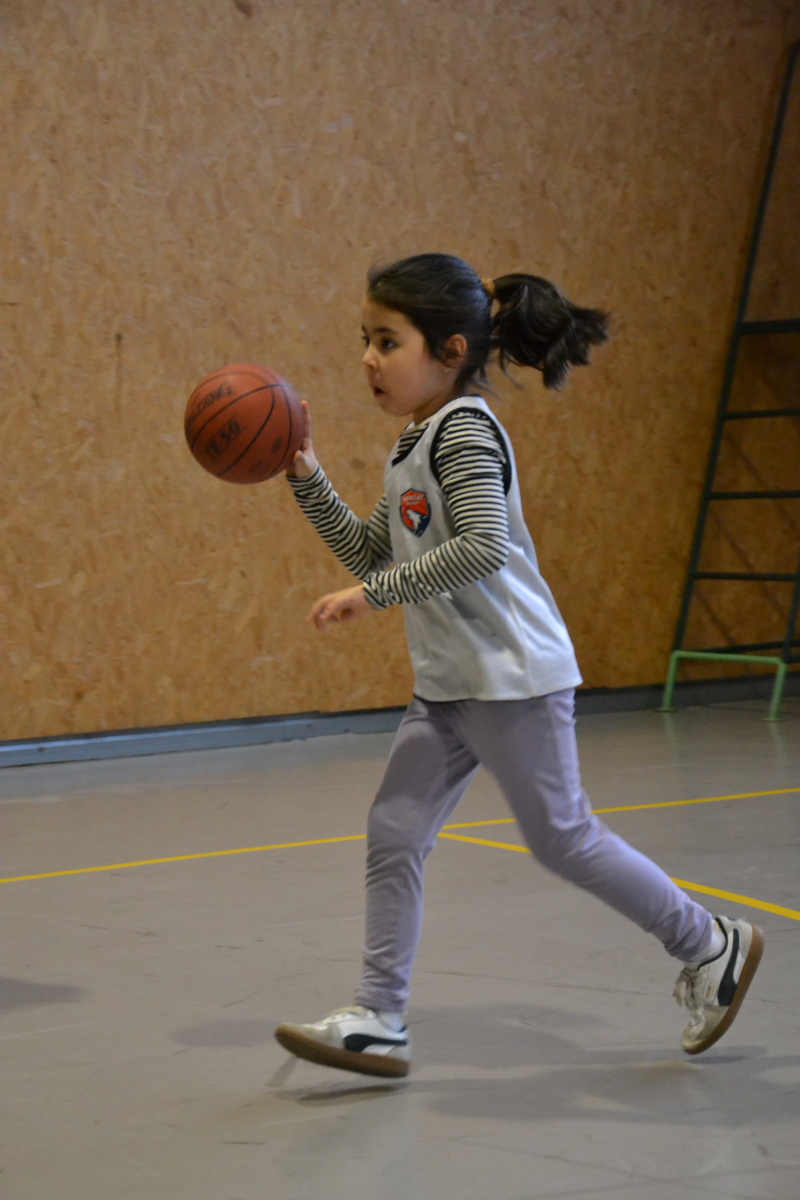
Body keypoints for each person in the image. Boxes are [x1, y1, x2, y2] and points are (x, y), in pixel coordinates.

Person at [274, 252, 764, 1079]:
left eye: (387, 341)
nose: (368, 358)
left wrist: (374, 596)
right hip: (449, 687)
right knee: (394, 831)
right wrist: (306, 476)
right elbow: (371, 553)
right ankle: (380, 1016)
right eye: (366, 339)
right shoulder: (414, 441)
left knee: (562, 838)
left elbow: (481, 548)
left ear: (451, 351)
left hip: (513, 677)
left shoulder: (465, 431)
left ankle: (710, 944)